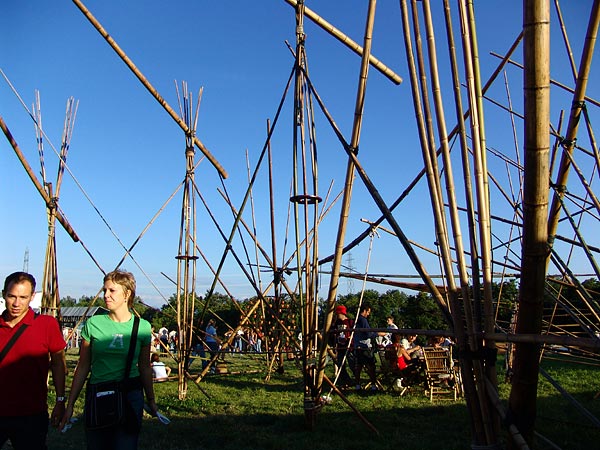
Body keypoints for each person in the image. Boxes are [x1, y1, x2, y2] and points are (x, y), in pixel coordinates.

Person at [60, 269, 158, 449]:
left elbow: (144, 367)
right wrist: (70, 403)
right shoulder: (93, 324)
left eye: (112, 291)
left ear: (127, 294)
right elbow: (83, 366)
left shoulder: (142, 327)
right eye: (105, 290)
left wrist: (151, 400)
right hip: (99, 394)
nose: (106, 295)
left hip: (130, 395)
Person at [0, 271, 67, 450]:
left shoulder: (46, 325)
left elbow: (59, 364)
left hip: (31, 413)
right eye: (11, 296)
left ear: (32, 297)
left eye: (23, 297)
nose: (16, 303)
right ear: (3, 294)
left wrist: (60, 400)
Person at [353, 304, 386, 391]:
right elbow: (368, 333)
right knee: (371, 366)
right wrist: (378, 333)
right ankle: (373, 385)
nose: (368, 314)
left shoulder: (356, 320)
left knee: (359, 367)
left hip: (357, 345)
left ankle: (357, 385)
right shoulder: (363, 320)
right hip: (365, 347)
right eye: (368, 312)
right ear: (364, 311)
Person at [332, 304, 354, 388]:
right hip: (340, 347)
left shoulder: (350, 322)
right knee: (340, 365)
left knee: (352, 365)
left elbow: (353, 333)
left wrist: (349, 339)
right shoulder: (337, 323)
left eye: (338, 313)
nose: (337, 315)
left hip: (349, 346)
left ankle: (357, 380)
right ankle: (347, 381)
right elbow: (334, 332)